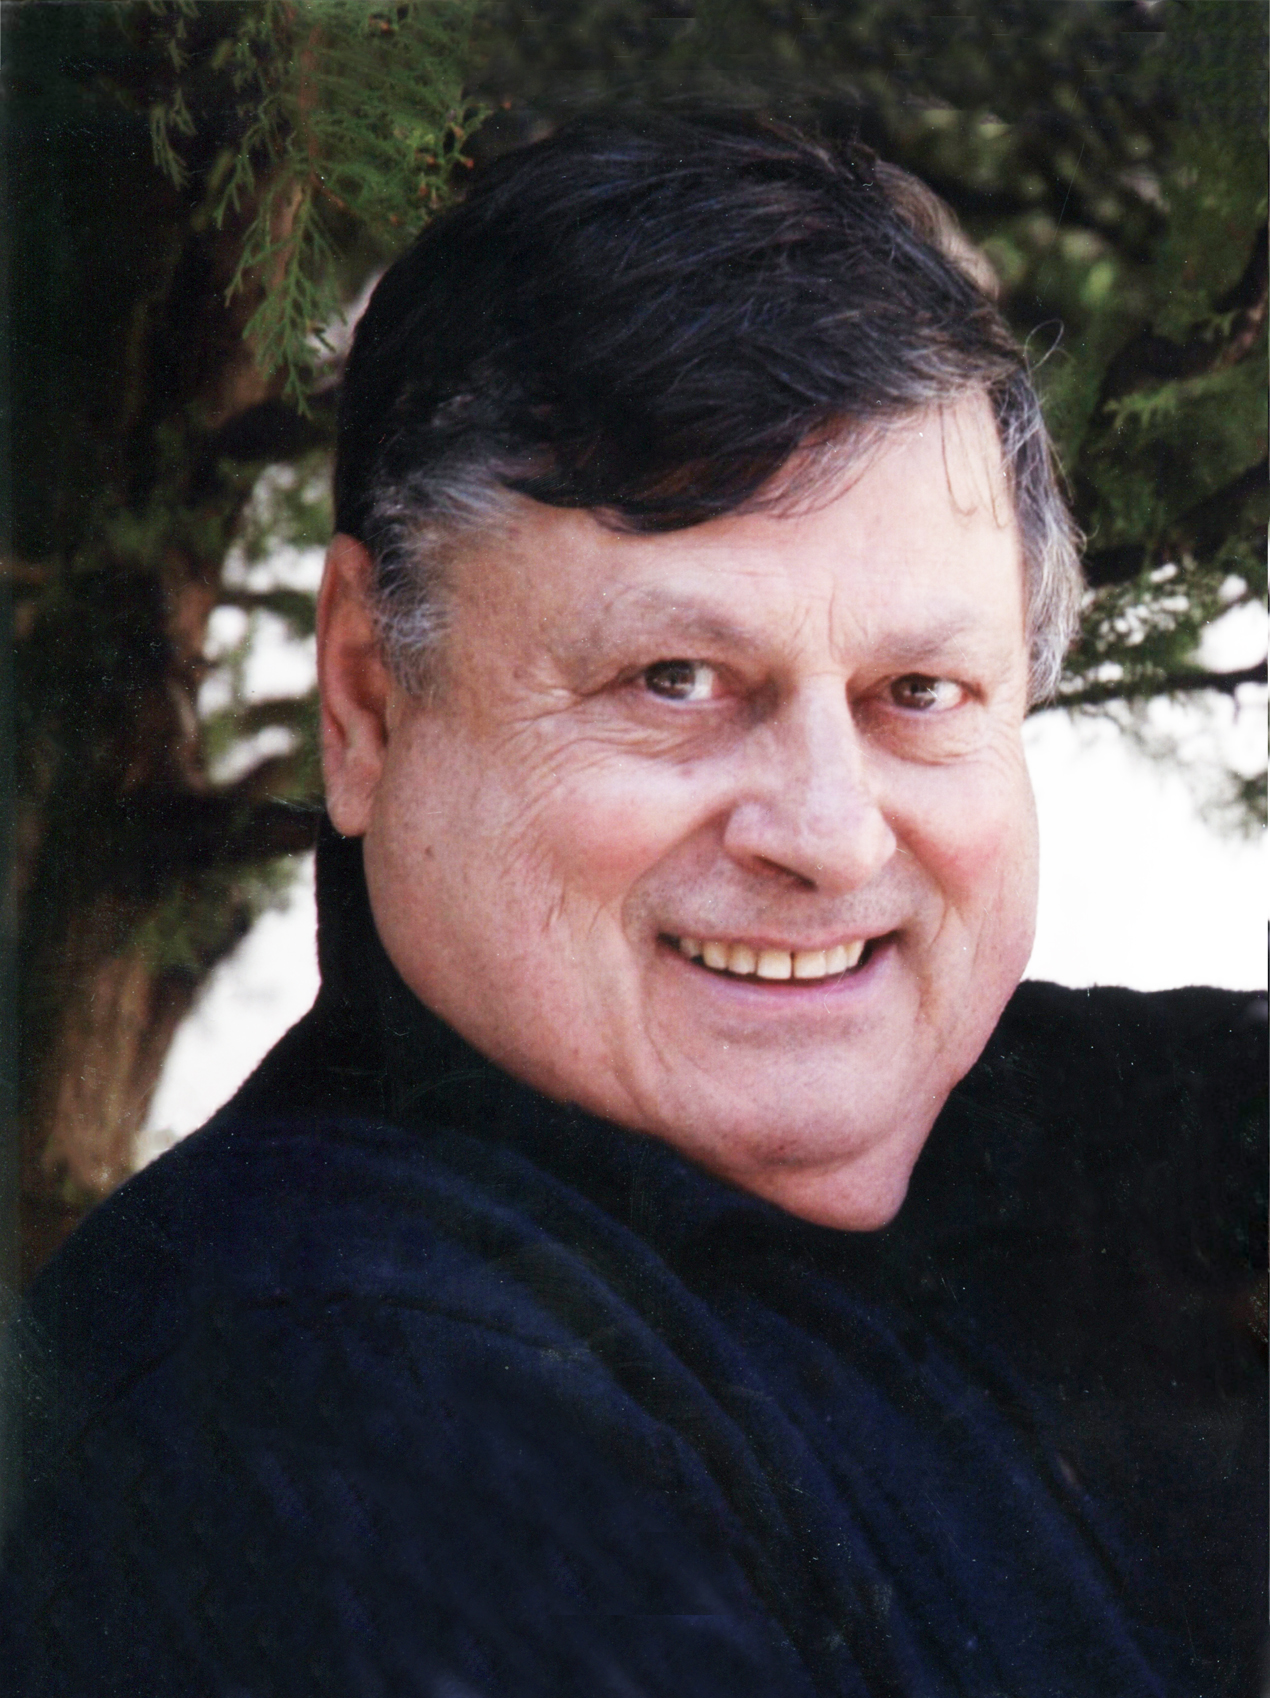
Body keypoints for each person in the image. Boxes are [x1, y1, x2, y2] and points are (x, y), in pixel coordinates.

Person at [2, 110, 1264, 1697]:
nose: (826, 834)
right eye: (673, 678)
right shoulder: (344, 1395)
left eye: (918, 691)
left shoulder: (955, 1155)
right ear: (367, 699)